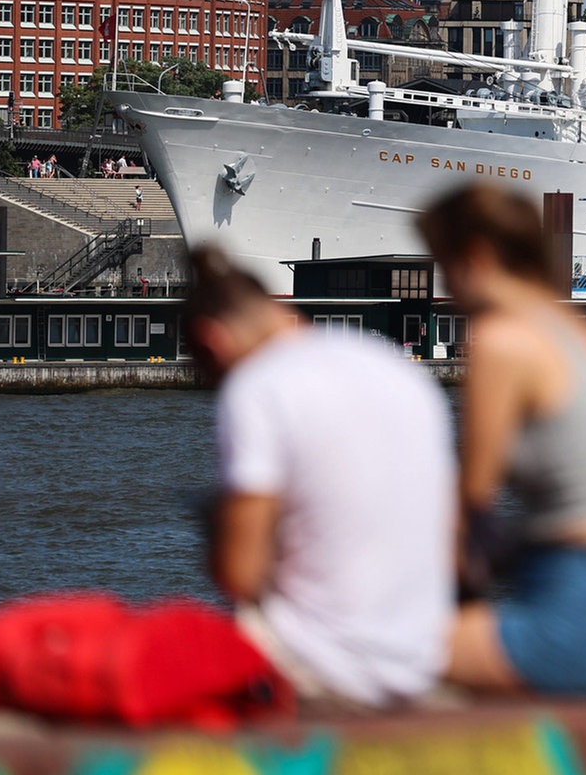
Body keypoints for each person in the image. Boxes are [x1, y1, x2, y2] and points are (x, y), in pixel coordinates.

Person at [417, 184, 586, 695]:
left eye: (443, 265)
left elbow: (470, 505)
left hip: (580, 612)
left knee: (348, 650)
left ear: (476, 257)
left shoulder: (502, 340)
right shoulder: (578, 335)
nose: (444, 286)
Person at [183, 246, 456, 707]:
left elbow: (241, 574)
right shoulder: (392, 366)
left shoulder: (259, 386)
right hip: (420, 656)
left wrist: (218, 528)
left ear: (213, 341)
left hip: (326, 665)